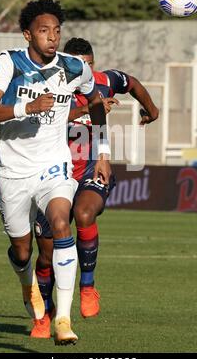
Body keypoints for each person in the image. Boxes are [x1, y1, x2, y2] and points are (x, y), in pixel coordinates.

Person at [0, 1, 111, 345]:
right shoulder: (8, 63)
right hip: (13, 171)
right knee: (22, 251)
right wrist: (28, 106)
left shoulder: (73, 67)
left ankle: (63, 320)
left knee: (60, 222)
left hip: (54, 165)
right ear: (27, 35)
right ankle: (27, 284)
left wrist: (104, 152)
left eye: (56, 31)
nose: (52, 38)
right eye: (43, 31)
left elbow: (95, 102)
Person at [31, 37, 159, 338]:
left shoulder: (104, 81)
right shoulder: (50, 87)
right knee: (46, 255)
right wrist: (91, 110)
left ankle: (87, 287)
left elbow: (132, 83)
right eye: (78, 65)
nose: (84, 71)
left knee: (85, 213)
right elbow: (45, 121)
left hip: (90, 168)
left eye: (88, 64)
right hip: (51, 173)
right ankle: (44, 315)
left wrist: (151, 110)